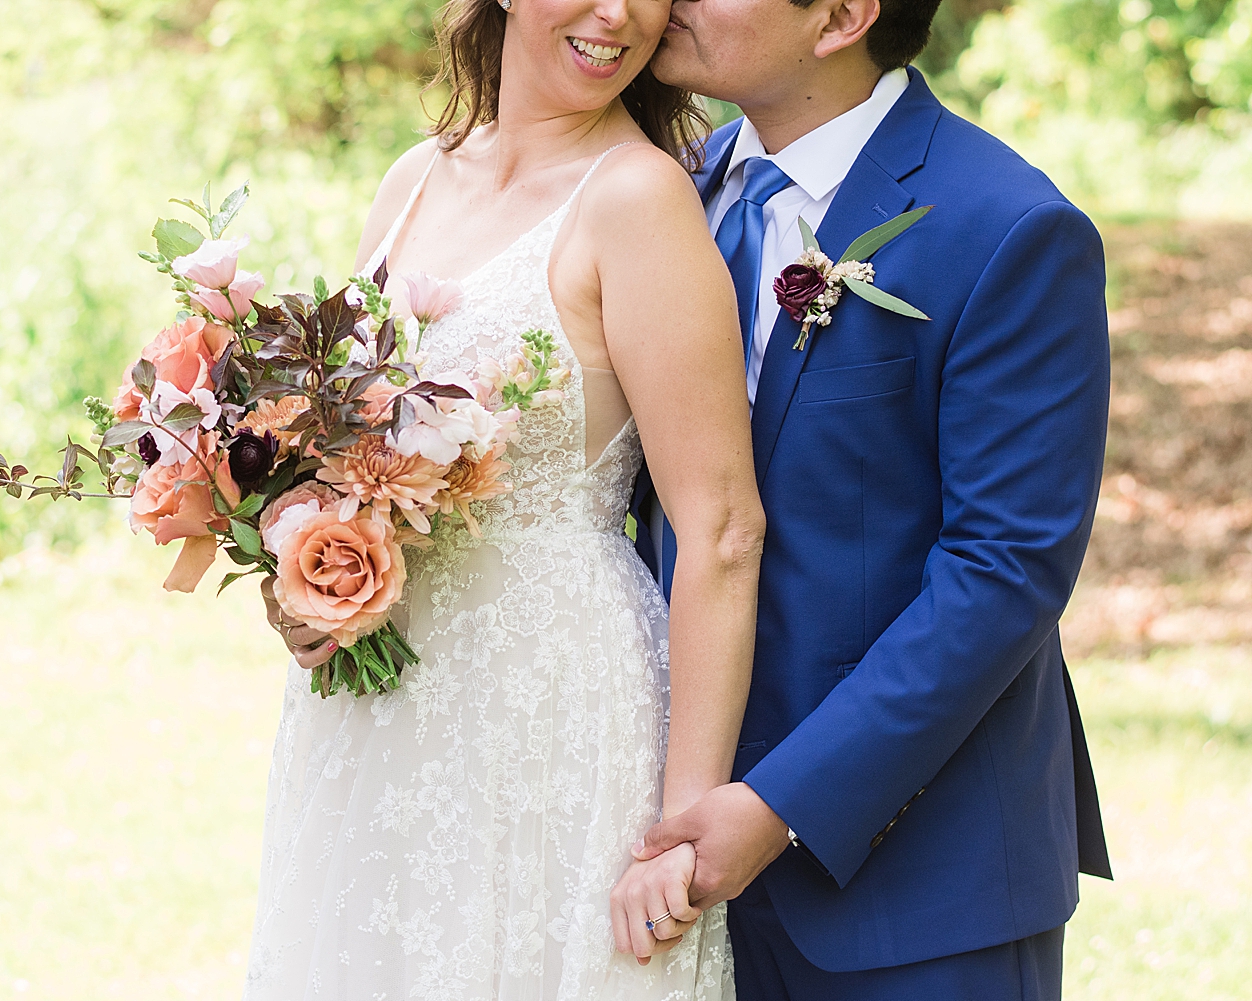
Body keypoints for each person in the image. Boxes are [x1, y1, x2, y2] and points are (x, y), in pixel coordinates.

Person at [242, 0, 762, 996]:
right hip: (377, 709)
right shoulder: (413, 178)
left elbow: (723, 528)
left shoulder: (637, 199)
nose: (618, 14)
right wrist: (304, 577)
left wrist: (683, 821)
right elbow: (344, 447)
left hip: (554, 704)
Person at [622, 0, 1114, 998]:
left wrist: (777, 805)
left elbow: (1002, 572)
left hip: (923, 887)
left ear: (841, 17)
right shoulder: (664, 191)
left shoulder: (1006, 225)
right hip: (666, 863)